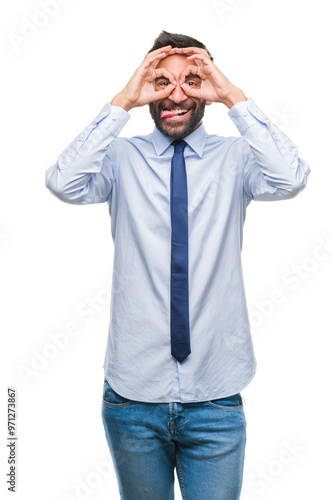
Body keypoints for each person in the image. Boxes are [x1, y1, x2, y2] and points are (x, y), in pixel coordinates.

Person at [45, 30, 310, 500]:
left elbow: (290, 177)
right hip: (132, 399)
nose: (176, 94)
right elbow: (63, 182)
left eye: (192, 79)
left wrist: (231, 96)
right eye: (162, 81)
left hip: (216, 397)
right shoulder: (121, 158)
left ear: (207, 87)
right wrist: (122, 101)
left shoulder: (237, 158)